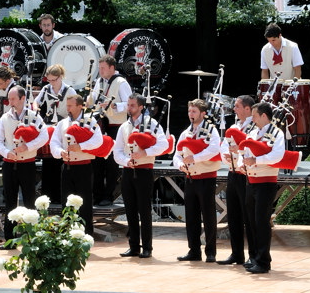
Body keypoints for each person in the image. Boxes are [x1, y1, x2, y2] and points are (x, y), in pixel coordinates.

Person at [113, 94, 168, 259]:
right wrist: (126, 161)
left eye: (132, 105)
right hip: (128, 170)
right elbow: (117, 151)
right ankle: (134, 246)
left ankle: (147, 247)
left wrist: (146, 152)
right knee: (130, 210)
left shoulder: (152, 124)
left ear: (141, 107)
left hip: (144, 170)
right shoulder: (124, 126)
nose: (129, 108)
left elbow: (163, 144)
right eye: (128, 105)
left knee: (144, 210)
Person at [0, 86, 49, 242]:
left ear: (22, 98)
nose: (10, 102)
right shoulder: (4, 118)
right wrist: (7, 153)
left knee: (29, 201)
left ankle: (31, 239)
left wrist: (28, 146)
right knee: (10, 202)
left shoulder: (34, 116)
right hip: (9, 164)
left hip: (27, 164)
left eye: (13, 99)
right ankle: (9, 240)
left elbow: (44, 136)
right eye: (9, 99)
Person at [173, 98, 221, 263]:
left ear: (203, 113)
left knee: (208, 216)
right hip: (190, 178)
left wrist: (195, 158)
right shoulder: (185, 133)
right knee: (191, 216)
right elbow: (177, 154)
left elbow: (214, 149)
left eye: (194, 111)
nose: (190, 114)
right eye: (189, 111)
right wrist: (180, 164)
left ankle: (210, 252)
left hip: (206, 177)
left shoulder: (211, 130)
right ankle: (194, 250)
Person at [242, 102, 286, 274]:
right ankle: (253, 257)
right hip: (251, 180)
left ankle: (263, 261)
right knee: (251, 221)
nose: (252, 119)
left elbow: (277, 156)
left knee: (261, 221)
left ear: (264, 116)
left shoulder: (276, 133)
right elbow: (245, 153)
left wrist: (256, 161)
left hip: (266, 182)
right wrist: (242, 163)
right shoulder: (252, 133)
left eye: (254, 116)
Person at [49, 95, 102, 236]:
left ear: (80, 106)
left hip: (84, 167)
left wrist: (81, 147)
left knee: (85, 203)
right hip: (67, 166)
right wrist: (60, 152)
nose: (68, 109)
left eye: (70, 106)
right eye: (67, 105)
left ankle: (86, 236)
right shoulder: (62, 123)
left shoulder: (90, 121)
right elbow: (54, 143)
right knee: (66, 203)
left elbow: (98, 140)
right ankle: (67, 235)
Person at [217, 94, 256, 266]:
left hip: (246, 175)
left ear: (248, 109)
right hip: (232, 173)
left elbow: (251, 150)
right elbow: (224, 148)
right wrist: (227, 157)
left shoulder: (253, 127)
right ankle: (236, 254)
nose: (234, 109)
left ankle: (253, 255)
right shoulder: (233, 126)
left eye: (237, 106)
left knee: (249, 217)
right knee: (233, 216)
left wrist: (237, 151)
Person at [88, 54, 130, 206]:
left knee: (111, 162)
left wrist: (114, 106)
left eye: (103, 68)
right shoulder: (99, 81)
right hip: (101, 124)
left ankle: (108, 195)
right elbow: (93, 101)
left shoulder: (121, 82)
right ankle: (97, 195)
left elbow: (129, 104)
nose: (100, 71)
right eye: (99, 68)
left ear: (112, 68)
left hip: (115, 126)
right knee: (97, 160)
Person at [34, 64, 78, 201]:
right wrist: (36, 111)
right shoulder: (46, 89)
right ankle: (48, 195)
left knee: (60, 159)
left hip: (64, 126)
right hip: (49, 126)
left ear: (60, 77)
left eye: (54, 80)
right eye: (49, 80)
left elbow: (76, 108)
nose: (51, 83)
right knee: (48, 160)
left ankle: (61, 195)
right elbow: (36, 102)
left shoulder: (69, 90)